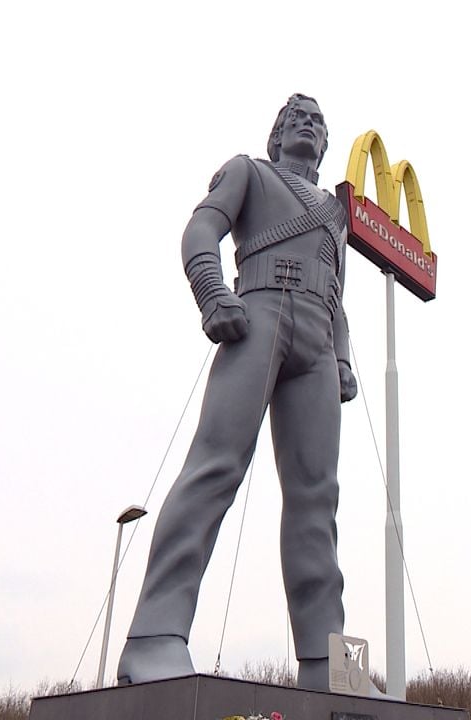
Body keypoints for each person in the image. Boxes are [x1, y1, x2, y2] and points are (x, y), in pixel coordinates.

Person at [118, 94, 357, 691]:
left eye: (318, 122)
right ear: (276, 135)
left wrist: (345, 357)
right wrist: (210, 289)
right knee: (216, 465)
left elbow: (337, 292)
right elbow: (202, 226)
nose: (307, 125)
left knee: (317, 499)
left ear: (325, 144)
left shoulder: (334, 213)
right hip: (258, 312)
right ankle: (155, 636)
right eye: (295, 118)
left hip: (318, 344)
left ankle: (329, 663)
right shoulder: (249, 171)